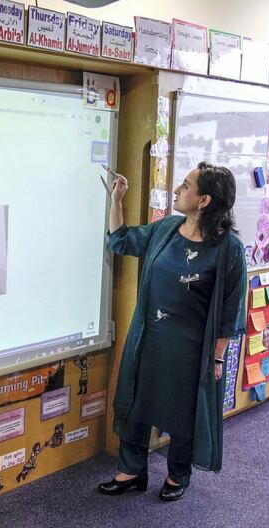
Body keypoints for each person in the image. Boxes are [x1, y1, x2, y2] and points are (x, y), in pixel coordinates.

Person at [98, 162, 246, 501]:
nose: (178, 190)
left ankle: (178, 474)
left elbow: (229, 310)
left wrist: (218, 359)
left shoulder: (229, 249)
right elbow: (121, 241)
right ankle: (131, 470)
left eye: (186, 185)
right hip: (149, 338)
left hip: (192, 348)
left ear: (204, 200)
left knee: (184, 410)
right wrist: (117, 199)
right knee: (137, 400)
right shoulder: (166, 228)